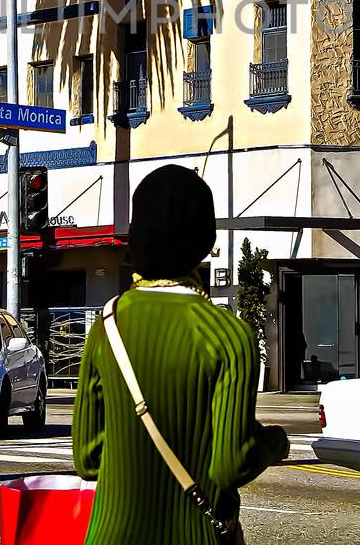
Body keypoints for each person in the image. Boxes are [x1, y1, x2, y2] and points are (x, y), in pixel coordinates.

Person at [73, 165, 288, 545]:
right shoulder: (228, 335)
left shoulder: (107, 324)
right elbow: (229, 465)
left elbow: (88, 459)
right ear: (204, 240)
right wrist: (274, 443)